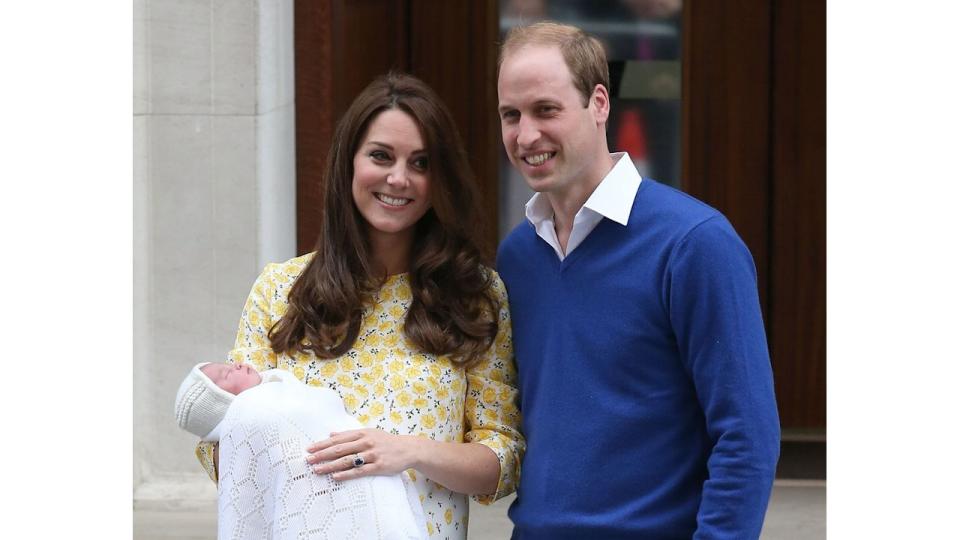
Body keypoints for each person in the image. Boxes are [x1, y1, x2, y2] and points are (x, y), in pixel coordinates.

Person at [191, 72, 524, 540]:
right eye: (381, 156)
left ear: (440, 180)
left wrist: (408, 451)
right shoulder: (280, 289)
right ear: (349, 162)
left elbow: (502, 459)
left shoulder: (475, 297)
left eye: (421, 163)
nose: (398, 178)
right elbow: (223, 450)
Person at [495, 22, 781, 539]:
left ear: (599, 103)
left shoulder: (695, 244)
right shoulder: (519, 256)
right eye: (510, 115)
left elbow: (747, 438)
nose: (526, 135)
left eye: (546, 110)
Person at [175, 361, 427, 539]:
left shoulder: (288, 392)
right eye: (225, 375)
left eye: (229, 364)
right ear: (221, 404)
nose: (236, 365)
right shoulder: (253, 411)